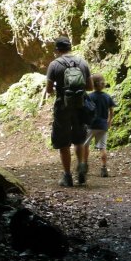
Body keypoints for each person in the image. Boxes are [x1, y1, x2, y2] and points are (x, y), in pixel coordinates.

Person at [42, 37, 92, 187]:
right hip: (80, 105)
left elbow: (49, 90)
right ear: (70, 47)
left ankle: (67, 176)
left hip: (62, 106)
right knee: (79, 138)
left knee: (64, 141)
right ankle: (81, 167)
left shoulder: (54, 65)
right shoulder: (82, 62)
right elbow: (89, 86)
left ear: (57, 50)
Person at [85, 73, 117, 178]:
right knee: (102, 147)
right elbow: (111, 110)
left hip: (91, 125)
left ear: (92, 84)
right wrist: (109, 121)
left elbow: (86, 110)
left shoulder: (89, 96)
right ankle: (103, 168)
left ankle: (84, 165)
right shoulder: (107, 97)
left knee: (85, 145)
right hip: (103, 125)